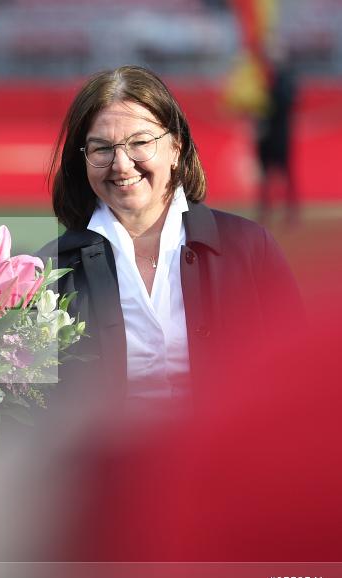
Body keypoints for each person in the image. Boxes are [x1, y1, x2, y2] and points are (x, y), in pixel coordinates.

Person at [41, 65, 302, 412]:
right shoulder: (48, 273)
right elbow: (35, 418)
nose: (121, 164)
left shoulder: (251, 249)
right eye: (101, 148)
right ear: (83, 159)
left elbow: (300, 383)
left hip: (230, 464)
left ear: (175, 148)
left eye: (140, 143)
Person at [256, 43, 298, 227]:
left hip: (280, 133)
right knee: (265, 173)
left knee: (285, 173)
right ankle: (266, 210)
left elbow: (286, 102)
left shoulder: (284, 79)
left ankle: (291, 211)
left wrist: (267, 96)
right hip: (265, 133)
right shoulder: (260, 78)